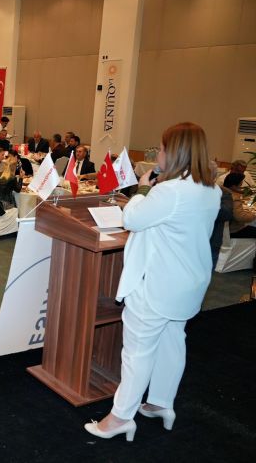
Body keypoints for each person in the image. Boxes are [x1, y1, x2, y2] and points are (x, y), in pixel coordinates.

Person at [84, 122, 221, 442]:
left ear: (175, 153)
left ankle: (120, 418)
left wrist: (143, 190)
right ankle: (161, 402)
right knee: (173, 341)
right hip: (189, 283)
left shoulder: (169, 191)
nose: (157, 154)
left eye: (160, 148)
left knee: (136, 353)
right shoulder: (211, 190)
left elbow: (132, 219)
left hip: (156, 285)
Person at [222, 172, 256, 240]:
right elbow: (240, 217)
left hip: (223, 228)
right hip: (233, 230)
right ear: (233, 186)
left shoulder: (221, 192)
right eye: (240, 184)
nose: (241, 187)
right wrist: (254, 215)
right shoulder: (233, 198)